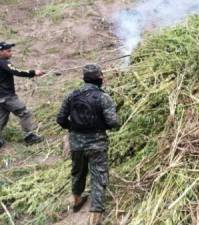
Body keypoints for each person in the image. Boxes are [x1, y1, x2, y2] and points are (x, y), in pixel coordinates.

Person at [56, 64, 120, 225]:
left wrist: (73, 129)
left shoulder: (71, 95)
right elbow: (114, 122)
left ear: (84, 78)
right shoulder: (103, 97)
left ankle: (77, 201)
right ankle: (95, 217)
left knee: (77, 172)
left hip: (76, 143)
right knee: (99, 177)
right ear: (100, 78)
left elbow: (60, 119)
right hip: (97, 144)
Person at [0, 41, 45, 147]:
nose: (11, 53)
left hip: (1, 97)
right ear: (0, 52)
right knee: (25, 113)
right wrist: (33, 72)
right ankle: (29, 137)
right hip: (7, 96)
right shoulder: (3, 62)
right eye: (8, 51)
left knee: (2, 117)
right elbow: (17, 71)